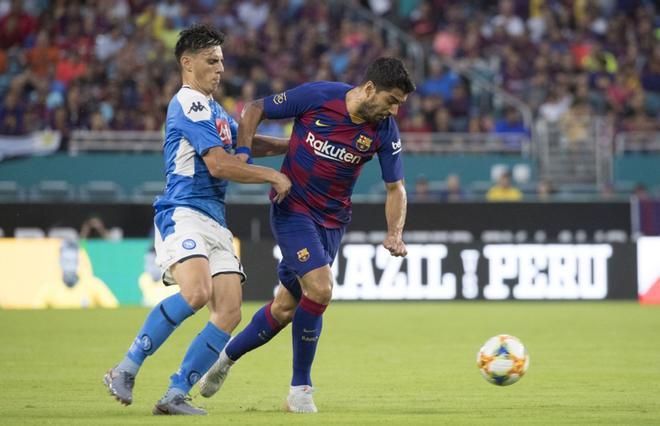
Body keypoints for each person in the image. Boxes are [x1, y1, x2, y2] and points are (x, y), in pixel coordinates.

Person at [198, 57, 415, 413]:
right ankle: (300, 390)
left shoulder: (384, 130)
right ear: (370, 89)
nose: (394, 111)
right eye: (391, 101)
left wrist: (395, 233)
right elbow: (254, 109)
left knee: (285, 308)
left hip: (332, 222)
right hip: (292, 208)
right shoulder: (319, 96)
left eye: (399, 106)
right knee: (321, 287)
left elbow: (396, 188)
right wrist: (244, 154)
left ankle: (225, 358)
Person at [103, 24, 291, 416]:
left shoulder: (214, 110)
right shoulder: (188, 102)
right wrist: (273, 175)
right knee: (196, 292)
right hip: (183, 211)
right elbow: (220, 164)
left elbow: (245, 144)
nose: (220, 68)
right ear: (187, 64)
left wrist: (295, 147)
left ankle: (175, 393)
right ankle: (125, 368)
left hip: (214, 220)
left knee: (230, 310)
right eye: (211, 60)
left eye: (221, 60)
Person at [34, 239, 118, 309]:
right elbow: (35, 315)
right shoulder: (49, 288)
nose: (69, 266)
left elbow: (113, 310)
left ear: (78, 262)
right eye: (66, 261)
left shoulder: (94, 285)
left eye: (73, 261)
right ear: (60, 262)